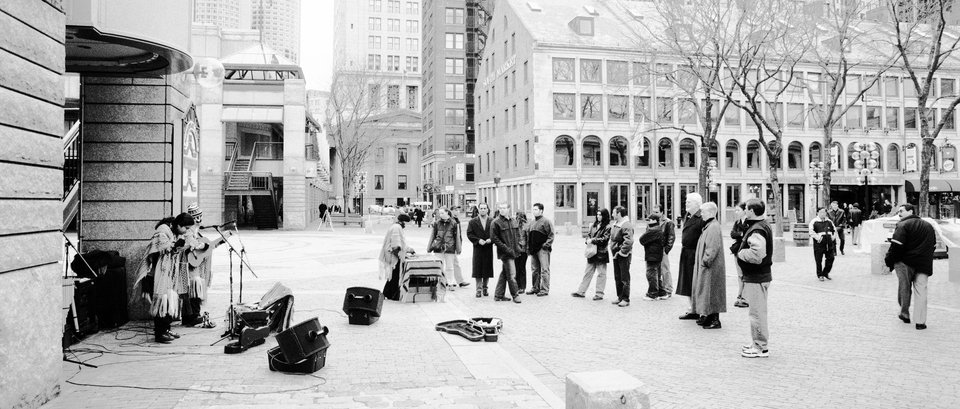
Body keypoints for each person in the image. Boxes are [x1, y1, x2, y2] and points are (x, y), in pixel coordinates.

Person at [134, 213, 195, 343]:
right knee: (161, 301)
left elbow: (177, 248)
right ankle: (160, 333)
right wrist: (173, 245)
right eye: (186, 228)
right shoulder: (162, 230)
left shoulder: (175, 232)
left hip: (168, 273)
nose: (187, 231)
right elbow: (158, 248)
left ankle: (166, 329)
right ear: (179, 225)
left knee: (168, 301)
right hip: (156, 274)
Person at [884, 203, 936, 330]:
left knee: (904, 287)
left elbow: (896, 245)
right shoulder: (929, 226)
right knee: (921, 291)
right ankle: (920, 322)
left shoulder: (903, 225)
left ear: (911, 211)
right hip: (923, 263)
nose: (899, 214)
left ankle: (904, 313)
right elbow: (933, 245)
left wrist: (889, 260)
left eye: (901, 211)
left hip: (904, 262)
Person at [737, 198, 773, 358]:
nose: (744, 211)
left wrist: (741, 253)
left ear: (751, 211)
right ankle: (757, 342)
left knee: (756, 312)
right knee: (757, 311)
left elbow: (757, 254)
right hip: (759, 275)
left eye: (746, 209)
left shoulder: (757, 230)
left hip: (757, 276)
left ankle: (760, 347)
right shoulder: (761, 225)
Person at [180, 204, 222, 329]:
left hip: (195, 266)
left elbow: (202, 247)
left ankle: (191, 316)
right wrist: (203, 246)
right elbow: (192, 245)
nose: (199, 219)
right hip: (190, 266)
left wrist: (213, 244)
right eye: (197, 217)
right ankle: (192, 316)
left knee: (193, 291)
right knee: (194, 290)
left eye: (200, 216)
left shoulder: (196, 232)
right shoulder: (188, 231)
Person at [691, 202, 726, 330]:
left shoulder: (713, 227)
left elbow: (712, 247)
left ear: (710, 212)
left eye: (703, 212)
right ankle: (709, 316)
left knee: (712, 291)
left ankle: (715, 319)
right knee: (708, 291)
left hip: (711, 266)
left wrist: (705, 261)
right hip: (708, 265)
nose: (701, 215)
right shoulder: (710, 226)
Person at [677, 193, 705, 320]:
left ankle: (697, 308)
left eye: (689, 202)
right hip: (686, 253)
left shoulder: (701, 217)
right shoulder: (688, 215)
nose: (686, 203)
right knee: (688, 281)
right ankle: (692, 307)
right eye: (686, 201)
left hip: (695, 253)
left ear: (696, 204)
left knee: (695, 281)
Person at [572, 209, 611, 300]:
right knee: (588, 272)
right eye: (597, 214)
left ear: (604, 216)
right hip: (592, 252)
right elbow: (589, 234)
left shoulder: (608, 227)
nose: (598, 216)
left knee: (601, 273)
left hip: (601, 252)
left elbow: (605, 239)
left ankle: (599, 293)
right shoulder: (594, 225)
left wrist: (592, 240)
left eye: (600, 215)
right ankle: (581, 291)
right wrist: (588, 239)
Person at [490, 202, 522, 303]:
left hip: (514, 251)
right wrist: (506, 249)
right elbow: (494, 238)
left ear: (508, 209)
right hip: (505, 253)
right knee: (512, 274)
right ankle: (515, 295)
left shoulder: (513, 220)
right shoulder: (496, 222)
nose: (502, 210)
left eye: (504, 208)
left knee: (505, 273)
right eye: (500, 208)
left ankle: (499, 295)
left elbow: (518, 234)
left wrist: (519, 246)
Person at [380, 213, 416, 301]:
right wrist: (400, 255)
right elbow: (396, 244)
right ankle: (392, 294)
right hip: (393, 255)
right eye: (407, 223)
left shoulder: (396, 227)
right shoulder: (397, 228)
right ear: (404, 222)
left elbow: (401, 242)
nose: (407, 225)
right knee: (396, 274)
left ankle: (387, 293)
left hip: (394, 253)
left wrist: (409, 249)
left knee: (394, 274)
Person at [427, 207, 462, 291]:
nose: (440, 214)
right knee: (439, 266)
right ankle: (440, 282)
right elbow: (433, 235)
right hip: (438, 247)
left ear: (447, 213)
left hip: (450, 247)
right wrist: (429, 247)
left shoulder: (453, 223)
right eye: (440, 213)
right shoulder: (437, 223)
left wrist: (458, 248)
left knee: (450, 267)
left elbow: (457, 236)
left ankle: (450, 283)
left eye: (442, 213)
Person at [526, 203, 555, 297]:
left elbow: (551, 235)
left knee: (544, 270)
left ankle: (545, 289)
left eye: (536, 209)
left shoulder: (546, 222)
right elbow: (529, 237)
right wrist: (529, 248)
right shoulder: (532, 222)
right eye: (533, 209)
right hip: (533, 250)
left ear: (541, 211)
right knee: (534, 270)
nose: (534, 211)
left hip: (543, 250)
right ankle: (535, 287)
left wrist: (545, 245)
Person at [466, 203, 495, 297]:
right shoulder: (473, 222)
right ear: (478, 210)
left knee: (487, 268)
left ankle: (485, 287)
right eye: (481, 208)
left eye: (484, 208)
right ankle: (478, 289)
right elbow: (469, 234)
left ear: (487, 209)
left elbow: (496, 233)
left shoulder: (492, 221)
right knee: (478, 268)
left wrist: (491, 239)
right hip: (478, 248)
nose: (483, 210)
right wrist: (478, 240)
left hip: (488, 247)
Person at [638, 213, 667, 301]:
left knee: (651, 274)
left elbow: (642, 239)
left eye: (649, 220)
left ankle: (653, 293)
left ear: (655, 220)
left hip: (652, 254)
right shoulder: (658, 228)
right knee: (656, 274)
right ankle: (662, 292)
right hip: (657, 254)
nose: (648, 221)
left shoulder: (652, 230)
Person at [609, 206, 634, 307]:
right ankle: (620, 296)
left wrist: (622, 252)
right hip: (616, 253)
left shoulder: (626, 225)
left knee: (624, 277)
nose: (612, 214)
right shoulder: (616, 224)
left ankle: (625, 298)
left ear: (619, 214)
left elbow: (628, 240)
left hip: (622, 255)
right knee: (617, 276)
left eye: (614, 213)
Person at [809, 207, 837, 281]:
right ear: (817, 213)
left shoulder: (829, 221)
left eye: (824, 212)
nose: (822, 214)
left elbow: (834, 230)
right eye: (821, 212)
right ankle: (820, 274)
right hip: (819, 245)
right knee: (818, 260)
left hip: (829, 244)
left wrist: (833, 237)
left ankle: (826, 272)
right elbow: (811, 232)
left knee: (831, 258)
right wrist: (818, 238)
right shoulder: (814, 222)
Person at [730, 202, 749, 308]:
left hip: (745, 250)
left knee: (745, 274)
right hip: (737, 249)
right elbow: (732, 234)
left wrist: (740, 234)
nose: (736, 212)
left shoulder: (748, 222)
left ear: (744, 210)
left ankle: (744, 297)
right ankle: (740, 295)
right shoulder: (737, 222)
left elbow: (747, 234)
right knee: (740, 274)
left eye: (738, 210)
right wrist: (741, 233)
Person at [658, 204, 676, 299]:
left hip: (663, 248)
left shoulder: (668, 223)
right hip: (655, 249)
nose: (655, 214)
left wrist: (667, 250)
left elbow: (671, 237)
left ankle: (668, 289)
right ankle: (660, 289)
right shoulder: (653, 221)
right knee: (656, 270)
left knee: (665, 270)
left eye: (657, 212)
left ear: (662, 212)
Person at [450, 207, 471, 288]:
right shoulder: (451, 220)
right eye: (455, 210)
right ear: (451, 211)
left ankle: (456, 281)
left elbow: (459, 235)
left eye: (458, 210)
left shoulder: (456, 219)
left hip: (455, 244)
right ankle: (456, 281)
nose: (457, 211)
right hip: (451, 245)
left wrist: (459, 245)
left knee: (453, 263)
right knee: (452, 264)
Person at [514, 211, 529, 293]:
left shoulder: (526, 226)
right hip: (518, 249)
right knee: (518, 268)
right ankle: (519, 286)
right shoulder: (515, 225)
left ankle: (521, 286)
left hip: (523, 249)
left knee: (520, 268)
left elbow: (528, 238)